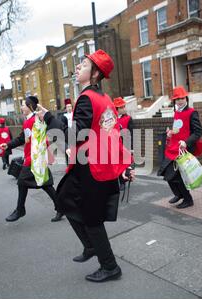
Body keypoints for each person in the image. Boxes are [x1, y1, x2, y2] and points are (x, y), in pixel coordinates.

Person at [37, 49, 135, 282]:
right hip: (97, 165)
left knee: (91, 219)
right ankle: (91, 246)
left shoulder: (87, 98)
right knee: (64, 199)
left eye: (83, 64)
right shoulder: (105, 100)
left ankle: (110, 267)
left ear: (95, 74)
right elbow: (112, 135)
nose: (78, 67)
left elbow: (74, 136)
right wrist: (124, 165)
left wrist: (50, 118)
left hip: (92, 167)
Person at [1, 96, 63, 223]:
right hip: (31, 157)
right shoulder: (27, 121)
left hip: (35, 158)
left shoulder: (37, 120)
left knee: (22, 182)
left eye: (23, 105)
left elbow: (48, 135)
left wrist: (42, 150)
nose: (21, 107)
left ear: (29, 106)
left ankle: (20, 210)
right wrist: (8, 145)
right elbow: (22, 138)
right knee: (46, 185)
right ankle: (61, 207)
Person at [158, 86, 202, 209]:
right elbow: (179, 129)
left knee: (175, 175)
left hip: (184, 148)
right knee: (167, 172)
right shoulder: (177, 112)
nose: (180, 101)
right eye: (177, 99)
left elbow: (198, 132)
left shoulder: (192, 112)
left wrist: (186, 142)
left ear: (186, 98)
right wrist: (170, 133)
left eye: (182, 98)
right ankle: (179, 194)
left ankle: (188, 199)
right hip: (173, 147)